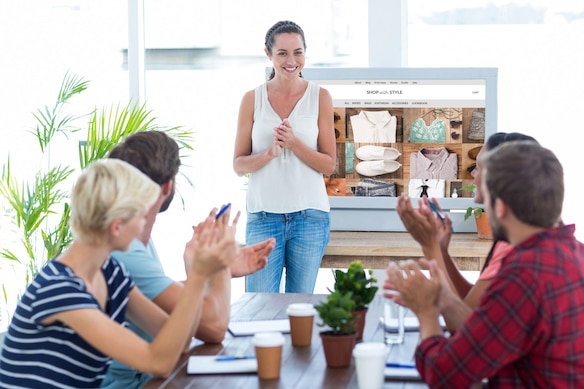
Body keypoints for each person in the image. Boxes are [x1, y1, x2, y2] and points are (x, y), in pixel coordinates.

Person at [385, 141, 584, 388]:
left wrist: (426, 311)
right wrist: (442, 296)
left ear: (500, 207)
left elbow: (444, 375)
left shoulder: (524, 276)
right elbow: (484, 332)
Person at [0, 159, 236, 388]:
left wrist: (199, 270)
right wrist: (197, 277)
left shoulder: (109, 273)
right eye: (142, 216)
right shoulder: (61, 289)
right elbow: (158, 362)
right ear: (116, 226)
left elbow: (180, 343)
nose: (145, 225)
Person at [101, 130, 275, 388]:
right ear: (167, 186)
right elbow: (214, 328)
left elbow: (172, 322)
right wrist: (217, 267)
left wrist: (210, 271)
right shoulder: (125, 251)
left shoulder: (133, 245)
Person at [395, 132, 537, 330]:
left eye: (478, 168)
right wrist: (442, 252)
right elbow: (472, 306)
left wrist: (429, 246)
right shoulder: (514, 241)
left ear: (498, 182)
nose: (473, 175)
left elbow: (463, 330)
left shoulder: (515, 253)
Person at [233, 20, 336, 293]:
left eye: (298, 52)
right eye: (282, 53)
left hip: (310, 218)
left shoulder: (320, 97)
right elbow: (238, 165)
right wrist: (268, 153)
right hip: (264, 217)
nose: (292, 61)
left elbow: (329, 164)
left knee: (299, 307)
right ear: (268, 54)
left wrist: (294, 144)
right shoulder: (251, 99)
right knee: (258, 305)